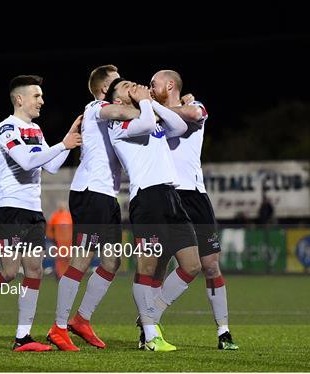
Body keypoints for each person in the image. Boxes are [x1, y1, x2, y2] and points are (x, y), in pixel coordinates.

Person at [0, 75, 83, 351]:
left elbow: (48, 166)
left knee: (35, 270)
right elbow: (26, 161)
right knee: (10, 272)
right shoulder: (6, 129)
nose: (42, 101)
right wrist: (62, 145)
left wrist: (67, 142)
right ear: (20, 99)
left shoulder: (35, 130)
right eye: (37, 96)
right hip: (10, 208)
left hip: (33, 211)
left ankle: (22, 338)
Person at [47, 65, 142, 351]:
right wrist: (150, 109)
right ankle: (58, 327)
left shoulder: (109, 112)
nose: (122, 87)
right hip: (90, 192)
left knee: (112, 261)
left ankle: (81, 320)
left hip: (107, 195)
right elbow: (118, 112)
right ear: (104, 90)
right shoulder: (96, 107)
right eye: (117, 83)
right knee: (82, 259)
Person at [106, 78, 201, 351]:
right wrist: (148, 102)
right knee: (147, 268)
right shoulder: (117, 123)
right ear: (118, 100)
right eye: (126, 85)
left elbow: (181, 126)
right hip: (147, 198)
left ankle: (151, 316)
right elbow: (146, 124)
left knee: (191, 265)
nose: (134, 85)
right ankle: (150, 336)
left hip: (172, 197)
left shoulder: (149, 114)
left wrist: (153, 106)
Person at [148, 70, 238, 350]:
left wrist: (161, 106)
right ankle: (150, 325)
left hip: (195, 196)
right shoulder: (150, 114)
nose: (150, 89)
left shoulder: (193, 107)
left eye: (154, 84)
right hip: (165, 194)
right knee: (160, 264)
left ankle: (223, 332)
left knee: (210, 265)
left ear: (170, 85)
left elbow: (196, 114)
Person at [46, 201, 73, 280]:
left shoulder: (69, 216)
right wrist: (52, 238)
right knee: (61, 258)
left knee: (68, 258)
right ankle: (60, 275)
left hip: (69, 241)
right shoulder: (56, 216)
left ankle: (68, 275)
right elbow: (49, 229)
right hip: (59, 241)